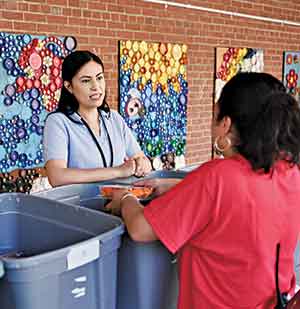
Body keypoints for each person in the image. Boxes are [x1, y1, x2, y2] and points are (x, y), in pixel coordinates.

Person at [107, 72, 300, 308]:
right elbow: (246, 201)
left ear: (226, 124)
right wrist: (178, 188)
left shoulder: (216, 177)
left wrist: (125, 199)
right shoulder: (289, 171)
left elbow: (140, 229)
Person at [43, 50, 152, 187]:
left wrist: (143, 163)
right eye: (86, 81)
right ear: (69, 86)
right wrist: (118, 171)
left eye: (99, 78)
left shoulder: (115, 118)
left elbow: (140, 158)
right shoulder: (58, 122)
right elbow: (57, 176)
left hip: (119, 202)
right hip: (78, 206)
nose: (96, 86)